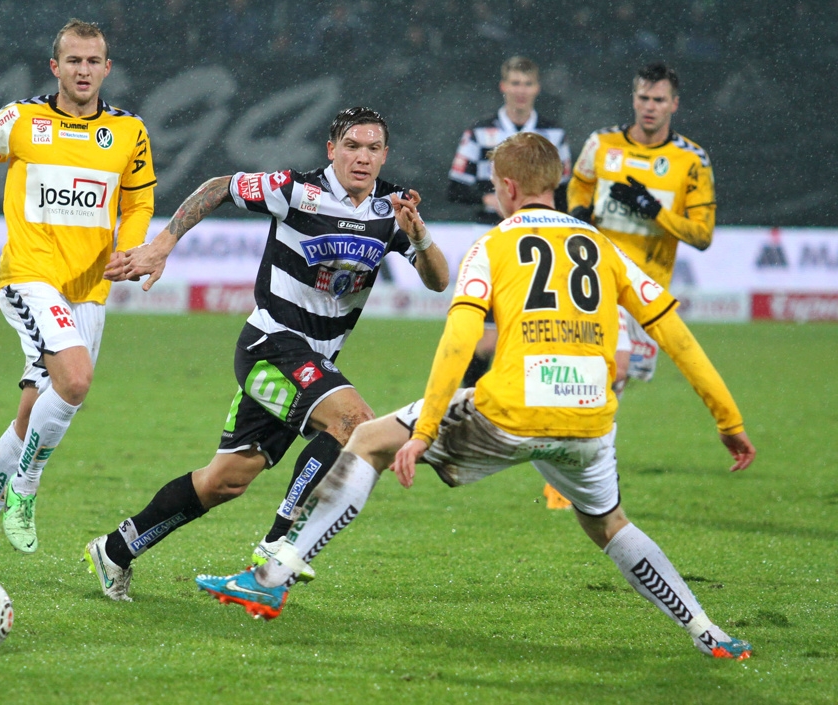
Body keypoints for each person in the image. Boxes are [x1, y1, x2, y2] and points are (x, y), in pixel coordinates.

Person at [196, 132, 756, 661]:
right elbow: (674, 334)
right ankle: (707, 630)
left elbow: (460, 338)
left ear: (508, 188)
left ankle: (273, 577)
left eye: (493, 185)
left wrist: (425, 429)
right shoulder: (602, 246)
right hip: (590, 419)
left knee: (367, 440)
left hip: (512, 410)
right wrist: (727, 422)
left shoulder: (494, 245)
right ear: (555, 182)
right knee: (609, 522)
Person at [83, 107, 450, 601]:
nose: (361, 158)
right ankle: (276, 549)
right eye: (351, 146)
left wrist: (419, 234)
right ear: (331, 150)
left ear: (384, 155)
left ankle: (114, 550)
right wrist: (162, 245)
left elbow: (438, 280)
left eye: (372, 148)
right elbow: (218, 186)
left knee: (224, 481)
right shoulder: (296, 190)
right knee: (354, 424)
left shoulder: (391, 210)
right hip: (268, 346)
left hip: (315, 365)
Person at [0, 19, 156, 575]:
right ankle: (27, 488)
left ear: (107, 69)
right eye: (73, 61)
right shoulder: (20, 119)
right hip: (28, 275)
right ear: (54, 67)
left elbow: (137, 205)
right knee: (77, 380)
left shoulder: (129, 132)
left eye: (94, 62)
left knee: (30, 417)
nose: (83, 71)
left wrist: (131, 251)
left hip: (89, 288)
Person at [447, 56, 573, 509]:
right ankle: (467, 418)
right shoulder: (480, 132)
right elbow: (455, 184)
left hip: (536, 249)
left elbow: (567, 190)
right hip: (491, 241)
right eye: (514, 82)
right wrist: (486, 195)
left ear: (537, 88)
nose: (520, 90)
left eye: (528, 83)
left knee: (518, 338)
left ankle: (498, 421)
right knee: (480, 341)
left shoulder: (554, 136)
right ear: (504, 86)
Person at [568, 62, 715, 398]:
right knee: (598, 374)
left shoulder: (692, 160)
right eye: (644, 97)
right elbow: (580, 183)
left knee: (614, 385)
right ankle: (589, 447)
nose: (650, 107)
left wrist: (653, 210)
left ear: (674, 104)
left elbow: (702, 236)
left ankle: (591, 448)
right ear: (633, 98)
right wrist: (577, 210)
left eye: (659, 100)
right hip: (597, 281)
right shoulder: (601, 143)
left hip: (647, 292)